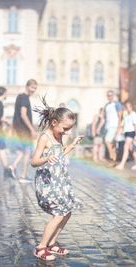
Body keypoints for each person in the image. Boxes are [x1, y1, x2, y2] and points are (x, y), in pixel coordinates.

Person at [31, 98, 83, 261]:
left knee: (67, 212)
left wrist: (71, 146)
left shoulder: (58, 134)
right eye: (65, 128)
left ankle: (52, 244)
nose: (66, 132)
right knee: (59, 214)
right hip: (47, 183)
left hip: (59, 181)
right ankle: (40, 247)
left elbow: (58, 155)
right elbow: (34, 161)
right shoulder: (45, 137)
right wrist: (47, 158)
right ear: (54, 122)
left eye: (69, 129)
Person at [8, 79, 38, 183]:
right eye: (32, 87)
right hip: (24, 130)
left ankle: (12, 166)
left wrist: (12, 129)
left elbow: (15, 115)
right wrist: (32, 129)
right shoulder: (25, 99)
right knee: (28, 151)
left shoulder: (19, 97)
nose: (34, 90)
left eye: (35, 88)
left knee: (22, 151)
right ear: (27, 86)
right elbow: (23, 115)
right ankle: (23, 176)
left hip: (18, 129)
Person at [115, 101, 136, 171]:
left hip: (131, 133)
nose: (127, 108)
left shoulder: (134, 114)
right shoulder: (127, 115)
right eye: (126, 107)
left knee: (125, 147)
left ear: (131, 107)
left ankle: (122, 164)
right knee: (131, 149)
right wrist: (119, 132)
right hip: (127, 133)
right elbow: (124, 125)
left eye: (128, 107)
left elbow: (135, 126)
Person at [103, 90, 122, 165]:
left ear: (113, 96)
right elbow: (105, 117)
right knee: (111, 144)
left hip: (114, 126)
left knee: (107, 141)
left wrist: (119, 127)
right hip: (108, 126)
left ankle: (112, 157)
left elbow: (120, 116)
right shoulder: (106, 105)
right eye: (108, 95)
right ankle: (113, 160)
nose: (109, 97)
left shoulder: (117, 104)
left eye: (111, 95)